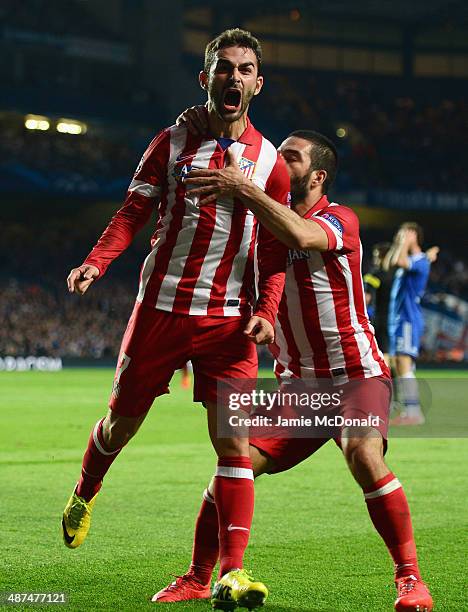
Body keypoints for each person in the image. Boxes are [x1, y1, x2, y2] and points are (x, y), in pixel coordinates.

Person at [153, 114, 433, 612]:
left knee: (364, 456)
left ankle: (410, 580)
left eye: (291, 157)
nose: (278, 162)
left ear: (317, 176)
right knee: (234, 466)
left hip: (356, 375)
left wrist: (244, 188)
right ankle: (198, 577)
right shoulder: (261, 226)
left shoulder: (339, 219)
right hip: (298, 388)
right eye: (277, 152)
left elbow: (302, 237)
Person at [62, 28, 291, 610]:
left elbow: (273, 254)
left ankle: (230, 573)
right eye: (224, 68)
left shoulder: (271, 165)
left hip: (229, 325)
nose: (233, 77)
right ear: (205, 78)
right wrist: (96, 261)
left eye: (244, 70)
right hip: (162, 311)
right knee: (120, 427)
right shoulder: (171, 141)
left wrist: (265, 313)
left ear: (257, 84)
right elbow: (133, 211)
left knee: (234, 446)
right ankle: (85, 492)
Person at [384, 224, 439, 425]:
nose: (400, 236)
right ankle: (409, 410)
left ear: (415, 235)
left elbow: (399, 260)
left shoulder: (420, 261)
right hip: (398, 320)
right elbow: (390, 262)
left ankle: (414, 412)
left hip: (408, 318)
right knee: (399, 365)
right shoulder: (411, 259)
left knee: (404, 364)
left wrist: (405, 243)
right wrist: (401, 243)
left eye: (405, 233)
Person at [364, 242, 393, 367]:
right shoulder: (398, 274)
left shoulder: (374, 276)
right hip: (397, 318)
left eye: (376, 256)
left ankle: (386, 383)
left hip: (381, 318)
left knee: (382, 351)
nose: (374, 259)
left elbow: (366, 298)